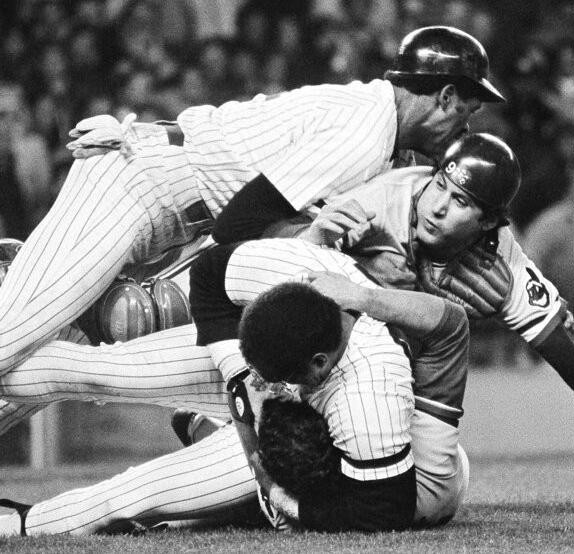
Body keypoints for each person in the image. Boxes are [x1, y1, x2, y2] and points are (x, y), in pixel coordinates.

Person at [1, 134, 574, 522]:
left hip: (359, 392)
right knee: (101, 359)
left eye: (460, 203)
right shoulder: (382, 196)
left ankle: (208, 432)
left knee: (282, 475)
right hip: (276, 335)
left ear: (491, 223)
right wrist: (319, 233)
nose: (437, 206)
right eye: (440, 186)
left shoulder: (501, 270)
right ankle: (91, 298)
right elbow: (245, 240)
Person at [0, 25, 503, 429]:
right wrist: (177, 290)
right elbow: (245, 217)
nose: (465, 126)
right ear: (443, 96)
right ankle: (25, 278)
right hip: (140, 182)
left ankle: (27, 276)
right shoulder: (366, 133)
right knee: (14, 334)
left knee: (46, 358)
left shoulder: (377, 125)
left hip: (169, 198)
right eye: (467, 109)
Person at [0, 241, 470, 534]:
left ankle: (24, 524)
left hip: (340, 463)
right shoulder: (302, 269)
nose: (269, 383)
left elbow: (381, 512)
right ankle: (8, 331)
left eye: (275, 377)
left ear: (318, 364)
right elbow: (209, 274)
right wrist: (240, 376)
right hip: (306, 399)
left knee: (140, 492)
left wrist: (277, 494)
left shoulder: (369, 397)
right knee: (101, 369)